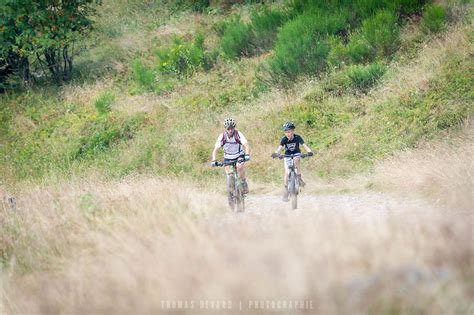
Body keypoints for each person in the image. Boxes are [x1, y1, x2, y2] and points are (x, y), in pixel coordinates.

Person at [271, 122, 313, 202]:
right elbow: (279, 148)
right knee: (287, 173)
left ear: (293, 131)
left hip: (296, 154)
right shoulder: (284, 139)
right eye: (286, 132)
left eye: (289, 131)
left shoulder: (297, 137)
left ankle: (299, 178)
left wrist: (309, 151)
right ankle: (286, 191)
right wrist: (276, 154)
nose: (287, 133)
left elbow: (304, 145)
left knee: (296, 159)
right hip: (287, 156)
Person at [211, 118, 250, 194]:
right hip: (228, 158)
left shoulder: (238, 134)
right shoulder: (222, 136)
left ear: (234, 128)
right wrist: (214, 160)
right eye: (228, 128)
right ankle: (231, 194)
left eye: (232, 128)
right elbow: (215, 150)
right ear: (225, 129)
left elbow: (246, 145)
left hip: (239, 155)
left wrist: (247, 154)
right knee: (229, 174)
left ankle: (243, 183)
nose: (230, 130)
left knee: (239, 167)